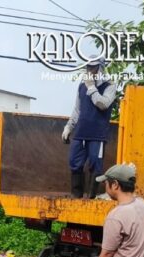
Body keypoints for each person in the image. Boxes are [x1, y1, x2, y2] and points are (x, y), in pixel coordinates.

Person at [62, 58, 117, 199]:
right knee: (75, 162)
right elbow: (77, 109)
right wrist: (68, 127)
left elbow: (103, 104)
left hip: (97, 134)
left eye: (93, 68)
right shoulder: (82, 86)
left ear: (101, 68)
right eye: (88, 67)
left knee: (95, 164)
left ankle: (91, 197)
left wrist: (92, 88)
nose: (90, 71)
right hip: (81, 132)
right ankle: (76, 196)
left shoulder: (109, 85)